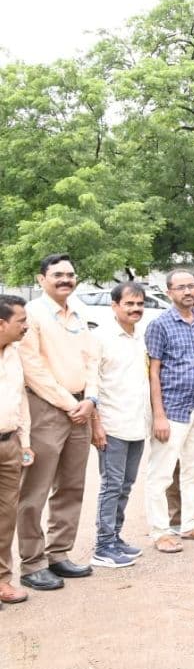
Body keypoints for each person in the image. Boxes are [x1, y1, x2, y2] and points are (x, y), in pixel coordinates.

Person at [17, 254, 99, 591]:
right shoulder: (32, 315)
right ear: (41, 279)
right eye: (57, 275)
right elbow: (33, 368)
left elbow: (92, 359)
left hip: (81, 409)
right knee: (35, 490)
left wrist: (91, 399)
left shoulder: (79, 312)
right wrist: (71, 403)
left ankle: (59, 553)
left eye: (70, 274)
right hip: (47, 410)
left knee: (71, 486)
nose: (65, 280)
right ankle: (32, 563)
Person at [144, 269, 194, 553]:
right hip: (172, 410)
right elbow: (153, 373)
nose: (188, 292)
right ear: (169, 292)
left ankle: (190, 523)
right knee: (162, 474)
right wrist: (159, 415)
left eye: (191, 286)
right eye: (181, 288)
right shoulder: (160, 325)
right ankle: (160, 531)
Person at [89, 283, 151, 568]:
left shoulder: (141, 337)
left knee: (126, 485)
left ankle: (115, 537)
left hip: (136, 423)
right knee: (111, 485)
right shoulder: (100, 337)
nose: (135, 309)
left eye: (139, 304)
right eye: (129, 304)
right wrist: (96, 425)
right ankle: (103, 545)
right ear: (114, 306)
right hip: (111, 424)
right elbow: (93, 385)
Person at [0, 295, 33, 606]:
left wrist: (23, 443)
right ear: (2, 323)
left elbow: (20, 400)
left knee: (5, 517)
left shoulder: (14, 353)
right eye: (21, 321)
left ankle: (2, 580)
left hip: (8, 444)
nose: (26, 326)